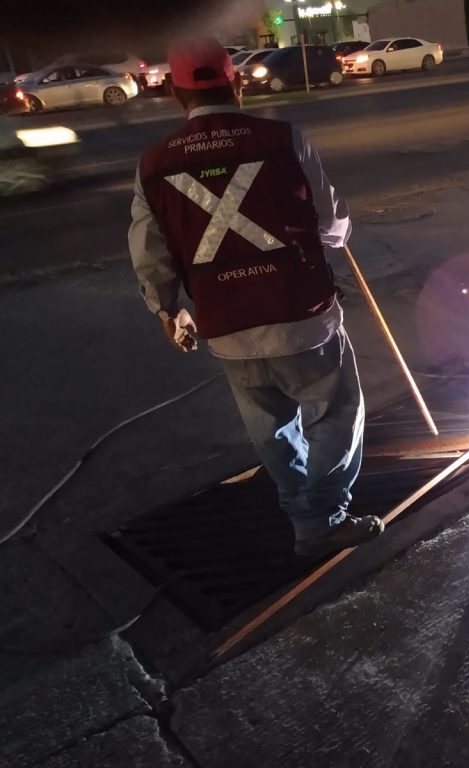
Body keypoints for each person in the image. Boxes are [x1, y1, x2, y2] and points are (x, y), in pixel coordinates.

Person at [127, 37, 383, 558]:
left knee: (271, 430)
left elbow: (150, 254)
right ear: (237, 80)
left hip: (228, 326)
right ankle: (321, 519)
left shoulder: (153, 164)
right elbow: (333, 227)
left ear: (175, 93)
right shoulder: (282, 139)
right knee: (334, 415)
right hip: (301, 316)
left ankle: (303, 516)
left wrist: (168, 310)